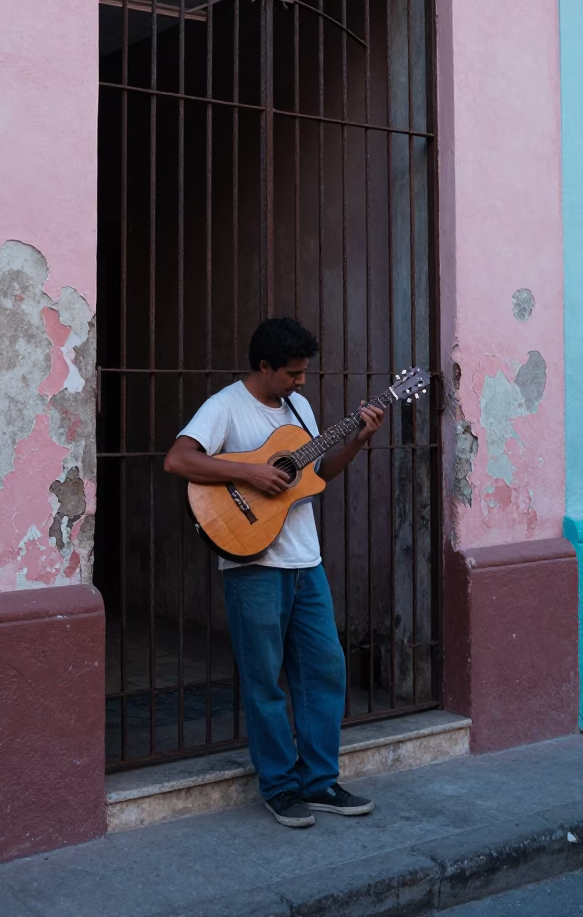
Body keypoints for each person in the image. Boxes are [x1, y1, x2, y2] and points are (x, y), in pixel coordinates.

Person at [164, 316, 386, 828]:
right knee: (265, 680)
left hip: (306, 562)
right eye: (291, 373)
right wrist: (248, 472)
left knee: (324, 671)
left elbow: (317, 473)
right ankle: (280, 787)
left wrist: (358, 440)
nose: (301, 382)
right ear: (263, 367)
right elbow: (178, 461)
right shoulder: (223, 407)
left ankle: (320, 782)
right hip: (253, 566)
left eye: (304, 373)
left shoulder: (298, 409)